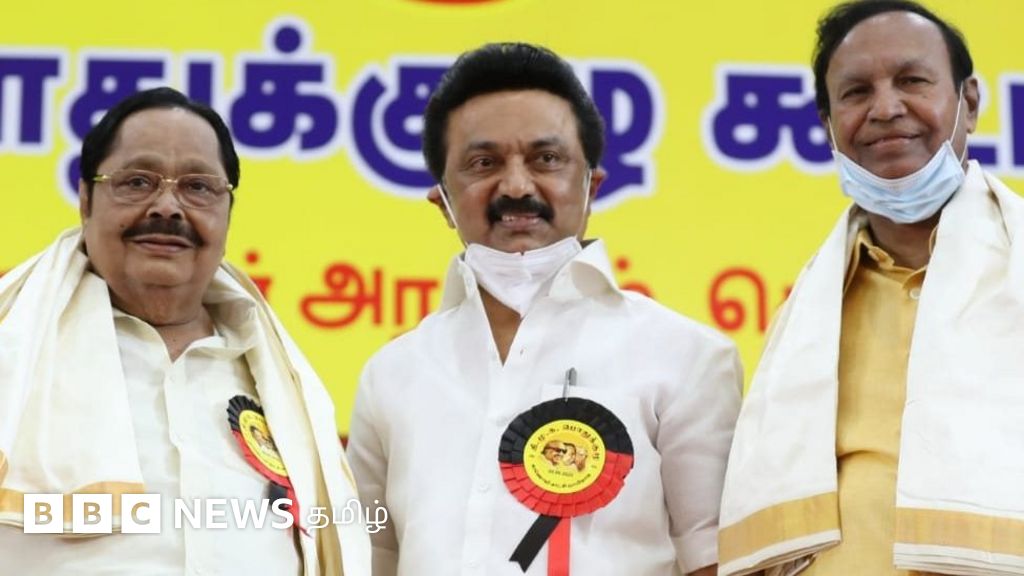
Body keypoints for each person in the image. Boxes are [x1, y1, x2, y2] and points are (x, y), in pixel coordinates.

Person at [347, 42, 742, 576]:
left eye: (546, 159)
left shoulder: (688, 359)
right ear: (442, 200)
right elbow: (368, 558)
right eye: (483, 163)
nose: (516, 186)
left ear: (591, 186)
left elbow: (713, 559)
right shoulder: (391, 374)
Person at [0, 87, 370, 576]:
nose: (168, 207)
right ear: (86, 200)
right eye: (137, 181)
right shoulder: (16, 348)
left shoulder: (276, 379)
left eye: (198, 186)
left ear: (227, 212)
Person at [718, 2, 1024, 575]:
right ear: (828, 126)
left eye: (912, 81)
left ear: (970, 103)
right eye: (856, 92)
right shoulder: (811, 313)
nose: (885, 108)